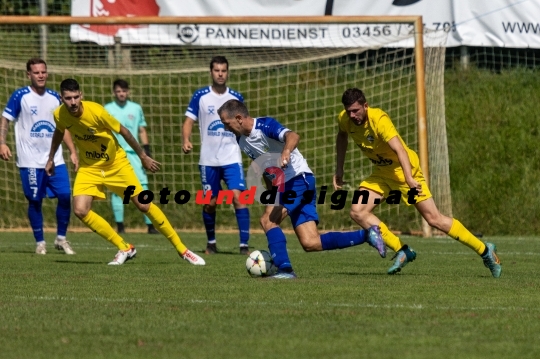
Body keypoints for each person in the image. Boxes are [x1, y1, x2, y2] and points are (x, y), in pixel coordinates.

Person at [333, 88, 502, 277]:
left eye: (356, 110)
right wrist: (339, 168)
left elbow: (400, 150)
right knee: (358, 211)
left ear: (365, 105)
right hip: (382, 173)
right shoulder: (345, 119)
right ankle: (402, 249)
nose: (352, 115)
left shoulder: (379, 120)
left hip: (405, 172)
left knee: (434, 219)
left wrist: (409, 179)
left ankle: (485, 251)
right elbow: (342, 136)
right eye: (349, 111)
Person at [218, 99, 386, 279]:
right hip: (289, 183)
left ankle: (284, 269)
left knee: (268, 220)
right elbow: (265, 165)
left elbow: (293, 136)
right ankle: (368, 235)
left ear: (239, 118)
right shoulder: (240, 139)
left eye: (227, 124)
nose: (226, 128)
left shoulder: (265, 126)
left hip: (298, 179)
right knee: (310, 242)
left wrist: (286, 151)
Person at [45, 78, 205, 266]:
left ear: (81, 95)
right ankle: (124, 247)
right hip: (89, 167)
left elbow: (125, 132)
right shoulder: (59, 114)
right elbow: (59, 132)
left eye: (75, 97)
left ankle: (183, 250)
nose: (72, 102)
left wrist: (143, 156)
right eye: (67, 98)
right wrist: (50, 158)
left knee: (144, 205)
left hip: (116, 164)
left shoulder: (97, 111)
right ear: (61, 98)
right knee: (80, 210)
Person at [0, 58, 77, 255]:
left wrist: (73, 152)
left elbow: (63, 127)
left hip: (55, 158)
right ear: (29, 75)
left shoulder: (54, 97)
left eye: (43, 72)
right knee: (35, 200)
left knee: (66, 196)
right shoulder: (20, 96)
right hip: (30, 161)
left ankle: (61, 238)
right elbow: (6, 119)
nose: (41, 75)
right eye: (36, 72)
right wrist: (2, 142)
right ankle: (40, 241)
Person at [182, 56, 250, 255]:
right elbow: (188, 121)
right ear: (211, 72)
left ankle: (244, 245)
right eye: (217, 70)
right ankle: (211, 242)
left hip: (231, 157)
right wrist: (186, 139)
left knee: (239, 197)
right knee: (210, 202)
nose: (220, 74)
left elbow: (244, 123)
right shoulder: (200, 96)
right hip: (208, 160)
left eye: (223, 70)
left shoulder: (236, 97)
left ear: (228, 72)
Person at [104, 79, 158, 235]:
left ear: (128, 92)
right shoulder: (107, 109)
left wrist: (146, 150)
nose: (121, 94)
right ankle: (120, 226)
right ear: (114, 92)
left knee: (142, 186)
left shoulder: (136, 108)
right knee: (117, 189)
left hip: (134, 154)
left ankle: (150, 225)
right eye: (118, 91)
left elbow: (142, 130)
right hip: (115, 154)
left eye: (124, 91)